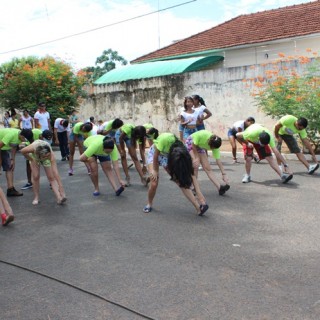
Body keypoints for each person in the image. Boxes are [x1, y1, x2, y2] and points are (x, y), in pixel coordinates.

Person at [143, 133, 209, 216]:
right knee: (154, 182)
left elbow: (191, 173)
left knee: (180, 181)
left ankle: (198, 208)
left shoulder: (183, 151)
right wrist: (155, 171)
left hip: (168, 157)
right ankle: (149, 203)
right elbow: (156, 156)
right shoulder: (164, 139)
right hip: (155, 154)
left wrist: (199, 193)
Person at [21, 140, 67, 205]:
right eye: (44, 157)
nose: (46, 157)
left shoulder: (50, 155)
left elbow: (56, 173)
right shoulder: (32, 148)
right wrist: (30, 159)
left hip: (44, 155)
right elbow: (22, 151)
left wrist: (61, 189)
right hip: (34, 157)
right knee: (36, 176)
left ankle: (59, 197)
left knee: (51, 177)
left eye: (47, 156)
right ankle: (36, 197)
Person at [185, 130, 230, 195]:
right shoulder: (203, 135)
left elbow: (218, 161)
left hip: (199, 146)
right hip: (191, 143)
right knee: (195, 166)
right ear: (209, 143)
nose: (213, 150)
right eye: (212, 148)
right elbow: (193, 145)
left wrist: (224, 174)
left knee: (208, 168)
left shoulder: (215, 145)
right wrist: (196, 158)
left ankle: (220, 188)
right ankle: (194, 188)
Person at [0, 128, 34, 196]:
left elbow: (14, 147)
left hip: (3, 149)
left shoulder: (19, 137)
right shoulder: (11, 134)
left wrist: (13, 160)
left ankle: (10, 190)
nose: (24, 141)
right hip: (1, 146)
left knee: (10, 167)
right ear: (22, 136)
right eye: (25, 140)